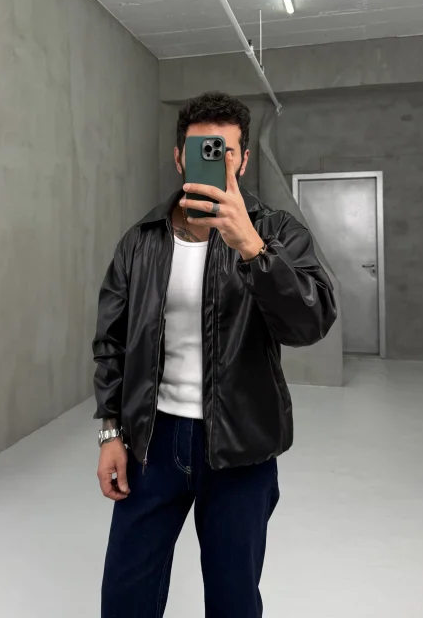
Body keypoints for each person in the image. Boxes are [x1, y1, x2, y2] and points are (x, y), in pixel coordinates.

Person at [93, 91, 337, 618]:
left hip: (242, 446)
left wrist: (252, 248)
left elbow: (311, 322)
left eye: (225, 151)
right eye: (201, 149)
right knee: (125, 597)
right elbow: (111, 342)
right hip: (152, 441)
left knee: (233, 600)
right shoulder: (141, 241)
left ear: (243, 160)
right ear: (179, 157)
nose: (215, 159)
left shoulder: (277, 233)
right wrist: (111, 432)